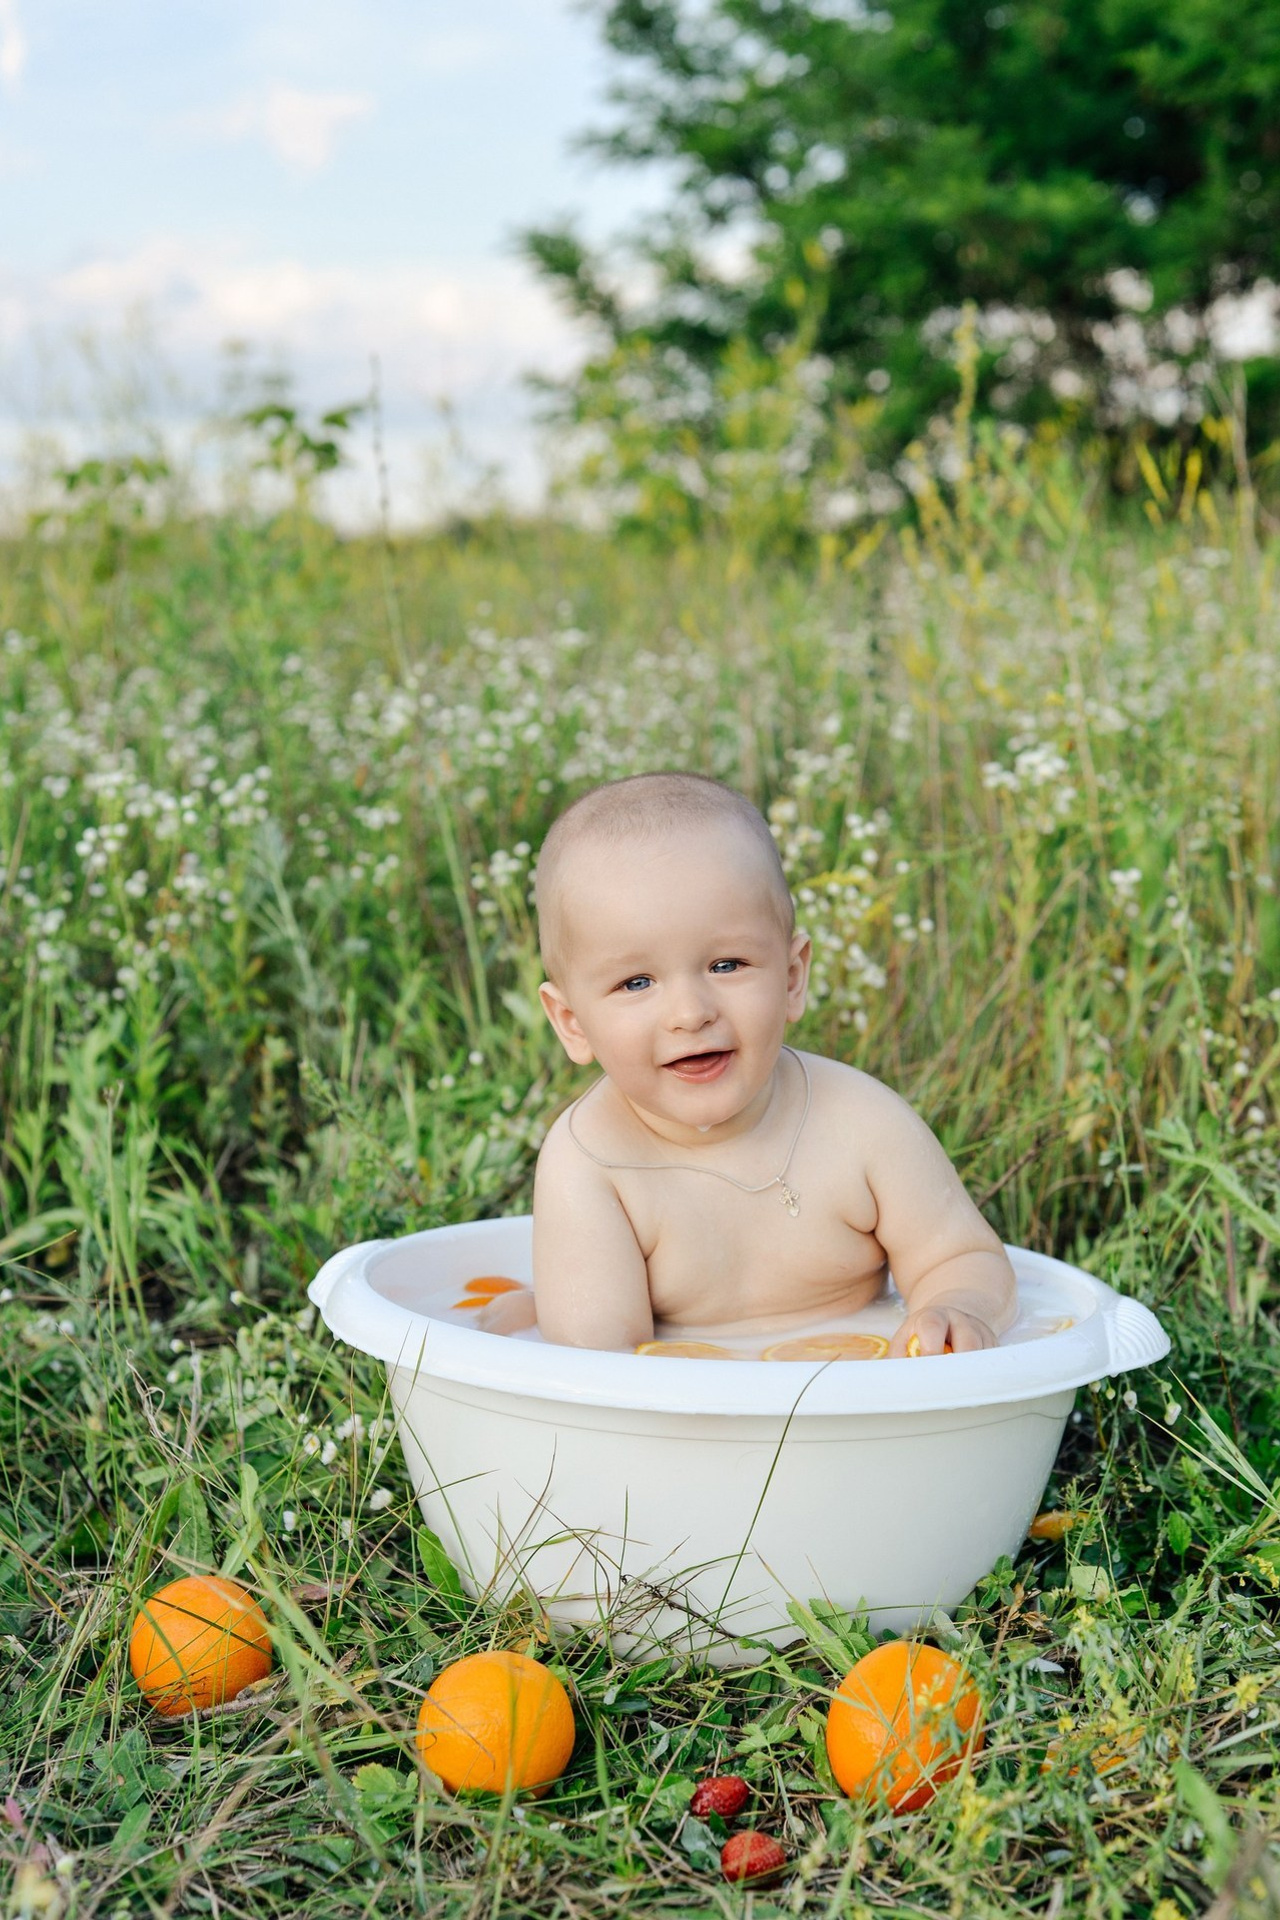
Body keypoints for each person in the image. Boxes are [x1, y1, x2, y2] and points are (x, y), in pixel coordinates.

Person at [526, 771, 1016, 1357]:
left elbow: (963, 1257)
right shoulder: (589, 1163)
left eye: (726, 965)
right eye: (637, 982)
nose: (689, 1013)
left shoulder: (862, 1122)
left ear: (791, 977)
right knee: (521, 1317)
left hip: (853, 1394)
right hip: (691, 1420)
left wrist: (956, 1308)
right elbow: (598, 1364)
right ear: (572, 1023)